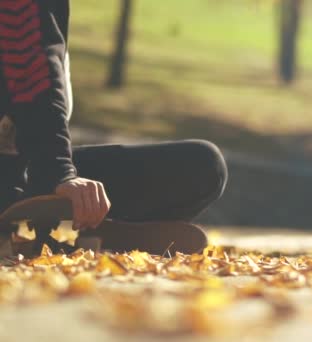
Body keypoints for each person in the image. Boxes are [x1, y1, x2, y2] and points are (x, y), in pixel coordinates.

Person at [0, 1, 228, 234]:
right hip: (25, 172)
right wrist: (58, 173)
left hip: (30, 169)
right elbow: (32, 73)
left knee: (202, 167)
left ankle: (107, 233)